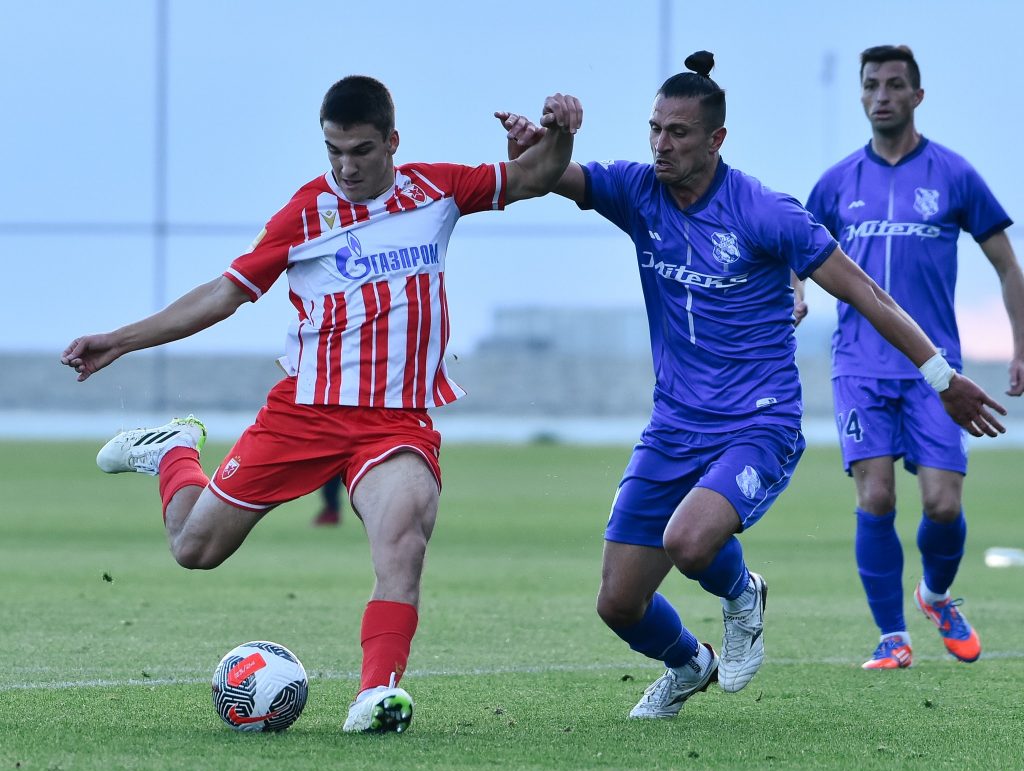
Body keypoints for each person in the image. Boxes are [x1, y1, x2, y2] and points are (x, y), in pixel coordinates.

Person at [61, 75, 583, 734]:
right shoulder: (305, 213)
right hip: (305, 413)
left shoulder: (438, 189)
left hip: (395, 423)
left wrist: (559, 132)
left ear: (392, 142)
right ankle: (174, 452)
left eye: (361, 150)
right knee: (194, 548)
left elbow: (535, 175)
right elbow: (222, 294)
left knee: (403, 541)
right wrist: (120, 340)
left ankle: (376, 694)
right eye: (334, 151)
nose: (347, 166)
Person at [497, 50, 1005, 719]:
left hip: (757, 424)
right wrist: (549, 139)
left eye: (678, 132)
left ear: (716, 139)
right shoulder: (637, 190)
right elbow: (544, 177)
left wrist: (942, 376)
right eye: (655, 128)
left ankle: (744, 595)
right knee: (618, 603)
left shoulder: (766, 211)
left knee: (688, 542)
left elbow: (869, 293)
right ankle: (689, 663)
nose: (661, 144)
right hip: (674, 425)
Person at [805, 45, 1024, 670]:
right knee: (875, 498)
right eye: (871, 84)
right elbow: (793, 249)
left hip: (937, 370)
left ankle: (935, 596)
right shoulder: (836, 183)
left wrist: (1021, 344)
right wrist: (794, 293)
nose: (882, 95)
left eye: (895, 84)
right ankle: (892, 636)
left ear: (917, 96)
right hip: (858, 364)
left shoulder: (953, 174)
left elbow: (1007, 265)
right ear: (861, 94)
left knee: (943, 505)